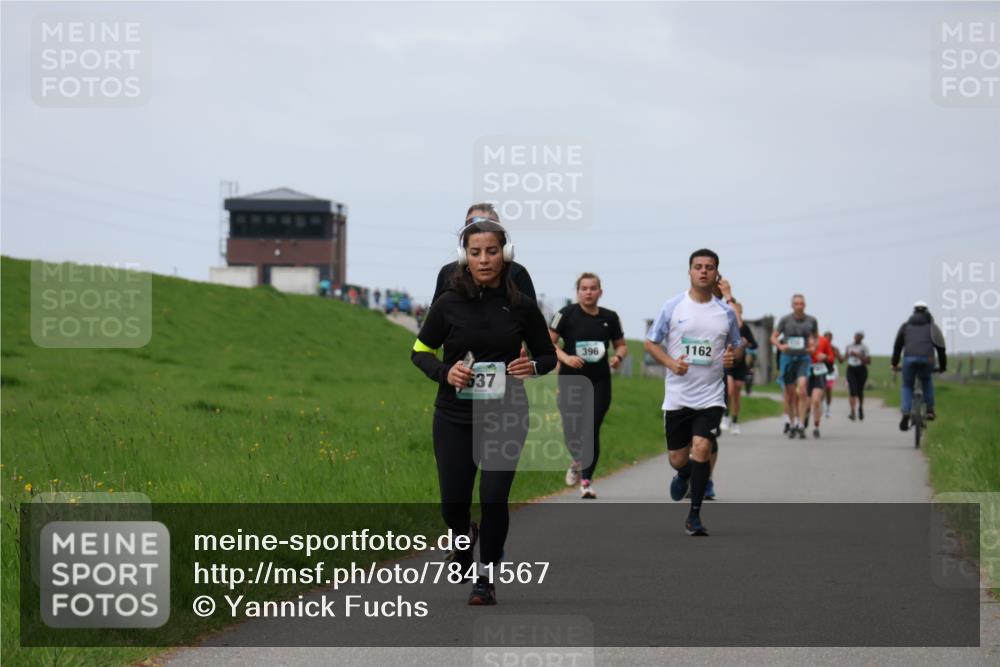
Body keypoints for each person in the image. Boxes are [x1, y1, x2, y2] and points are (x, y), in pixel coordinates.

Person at [411, 219, 557, 605]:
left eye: (491, 251)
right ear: (465, 257)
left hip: (507, 413)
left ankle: (486, 577)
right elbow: (419, 351)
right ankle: (463, 541)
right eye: (475, 252)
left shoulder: (522, 306)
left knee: (493, 497)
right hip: (454, 417)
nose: (484, 259)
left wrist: (535, 367)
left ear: (505, 254)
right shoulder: (448, 303)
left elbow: (546, 354)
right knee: (452, 503)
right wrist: (446, 372)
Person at [644, 249, 742, 537]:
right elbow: (651, 343)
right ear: (689, 271)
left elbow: (737, 345)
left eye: (709, 267)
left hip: (711, 396)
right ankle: (684, 473)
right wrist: (671, 363)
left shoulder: (725, 312)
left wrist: (731, 357)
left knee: (702, 447)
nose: (703, 272)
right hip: (677, 396)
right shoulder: (673, 306)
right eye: (698, 267)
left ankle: (694, 515)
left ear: (716, 274)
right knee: (677, 457)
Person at [549, 272, 627, 499]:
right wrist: (565, 358)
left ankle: (586, 481)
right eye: (584, 288)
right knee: (571, 429)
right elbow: (548, 342)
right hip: (571, 379)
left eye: (593, 288)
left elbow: (621, 346)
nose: (589, 292)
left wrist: (618, 358)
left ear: (600, 292)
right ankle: (576, 459)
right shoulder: (565, 314)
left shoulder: (610, 317)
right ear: (578, 292)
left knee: (591, 429)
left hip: (599, 380)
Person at [431, 203, 536, 305]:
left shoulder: (518, 273)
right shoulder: (447, 274)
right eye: (473, 225)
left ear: (505, 250)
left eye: (492, 252)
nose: (483, 260)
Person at [892, 301, 947, 431]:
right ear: (927, 311)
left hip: (909, 359)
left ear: (914, 312)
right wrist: (943, 366)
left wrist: (894, 363)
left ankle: (906, 412)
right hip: (928, 359)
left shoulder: (905, 326)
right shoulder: (933, 327)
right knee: (926, 379)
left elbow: (897, 346)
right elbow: (941, 348)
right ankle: (929, 410)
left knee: (907, 385)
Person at [770, 295, 819, 440]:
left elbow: (816, 336)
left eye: (802, 303)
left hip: (803, 358)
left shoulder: (811, 320)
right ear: (792, 306)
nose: (799, 306)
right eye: (796, 304)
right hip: (788, 358)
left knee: (802, 389)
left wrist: (813, 346)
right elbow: (773, 337)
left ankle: (801, 425)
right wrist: (780, 346)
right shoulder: (785, 320)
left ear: (805, 305)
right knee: (790, 394)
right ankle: (792, 424)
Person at [722, 300, 757, 436]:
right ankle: (725, 416)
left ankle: (735, 422)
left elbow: (755, 344)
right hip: (728, 363)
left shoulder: (745, 328)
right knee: (729, 391)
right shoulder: (725, 325)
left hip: (741, 365)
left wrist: (747, 343)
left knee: (737, 394)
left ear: (741, 313)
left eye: (738, 312)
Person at [806, 332, 835, 438]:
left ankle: (816, 427)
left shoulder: (823, 340)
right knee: (807, 402)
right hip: (806, 370)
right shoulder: (803, 339)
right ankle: (805, 416)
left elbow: (832, 357)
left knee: (816, 400)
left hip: (819, 370)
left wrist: (825, 356)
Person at [844, 331, 871, 420]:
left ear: (862, 338)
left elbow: (868, 361)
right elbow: (844, 358)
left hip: (861, 369)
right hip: (851, 369)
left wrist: (858, 355)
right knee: (852, 390)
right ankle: (852, 411)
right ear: (854, 336)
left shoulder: (864, 347)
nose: (857, 338)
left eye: (859, 336)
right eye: (856, 336)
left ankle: (860, 408)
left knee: (860, 391)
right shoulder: (849, 346)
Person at [822, 331, 842, 418]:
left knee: (828, 389)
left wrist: (836, 353)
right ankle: (822, 406)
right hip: (821, 369)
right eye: (826, 337)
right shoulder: (820, 347)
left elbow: (841, 360)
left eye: (829, 337)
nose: (827, 339)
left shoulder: (834, 348)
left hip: (831, 370)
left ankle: (828, 408)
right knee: (821, 390)